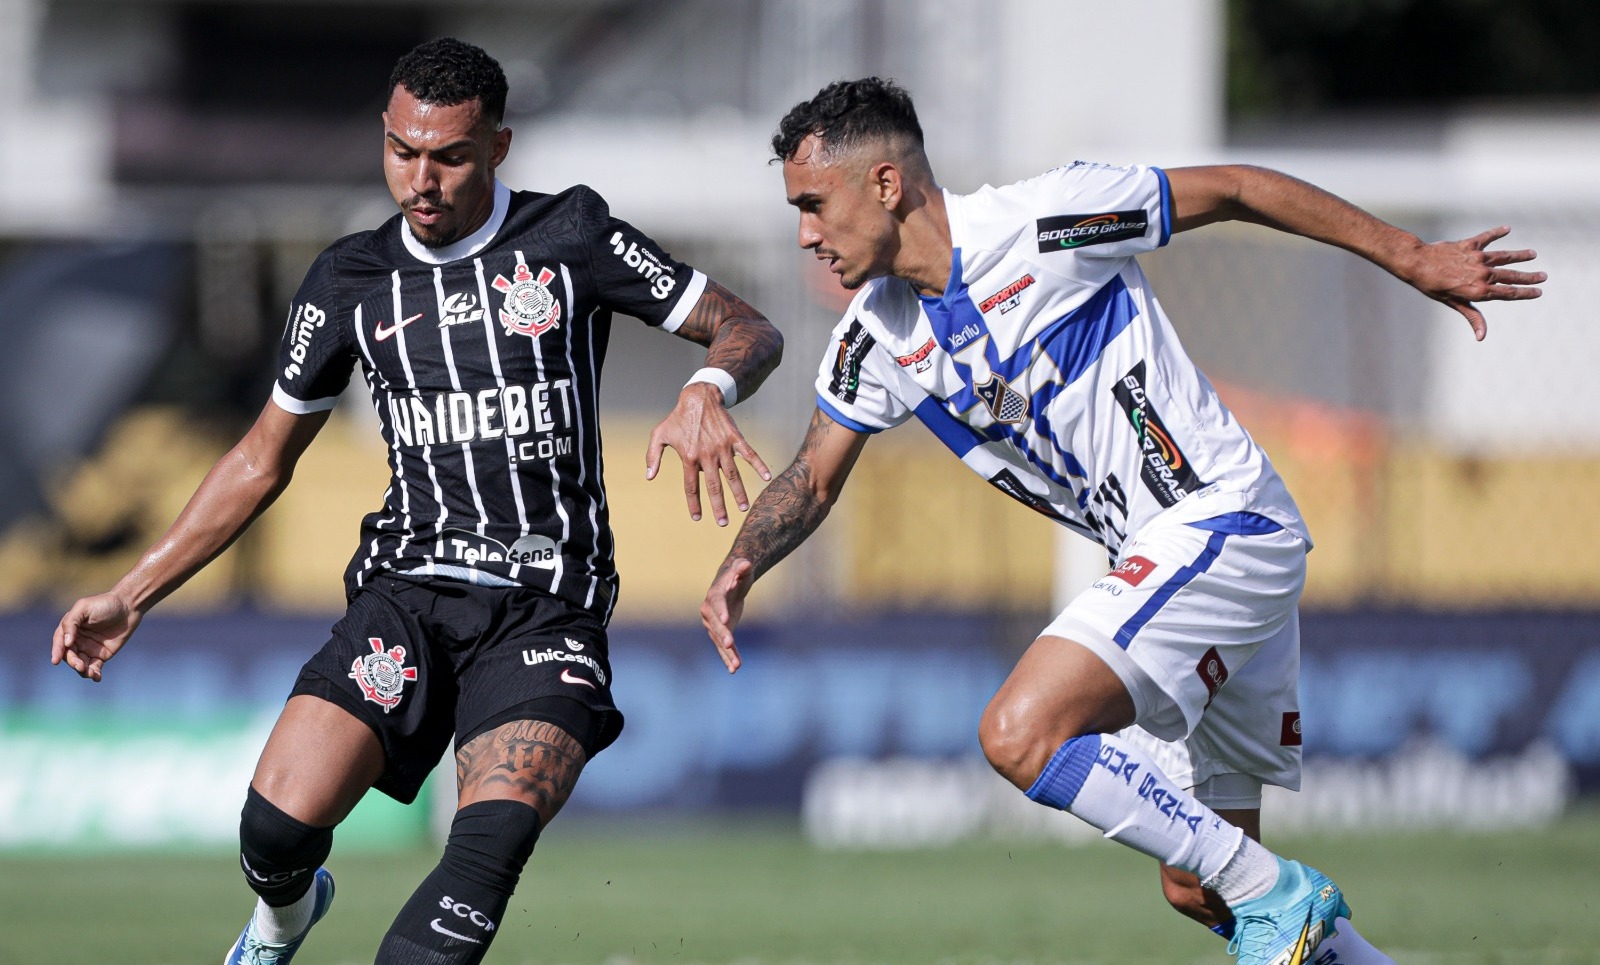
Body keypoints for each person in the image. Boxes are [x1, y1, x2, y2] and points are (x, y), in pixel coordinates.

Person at [701, 78, 1544, 965]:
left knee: (1019, 733)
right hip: (1172, 562)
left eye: (812, 204)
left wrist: (1410, 255)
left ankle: (1280, 890)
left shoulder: (1050, 221)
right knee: (1197, 883)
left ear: (883, 184)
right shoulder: (875, 338)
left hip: (1220, 523)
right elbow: (813, 474)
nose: (805, 233)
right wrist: (740, 562)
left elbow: (1240, 187)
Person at [52, 38, 782, 965]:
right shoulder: (349, 279)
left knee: (477, 865)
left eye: (450, 157)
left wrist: (707, 389)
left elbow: (747, 326)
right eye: (403, 152)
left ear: (500, 148)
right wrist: (132, 591)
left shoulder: (573, 237)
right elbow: (259, 458)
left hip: (543, 613)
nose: (421, 180)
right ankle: (283, 918)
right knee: (273, 835)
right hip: (406, 596)